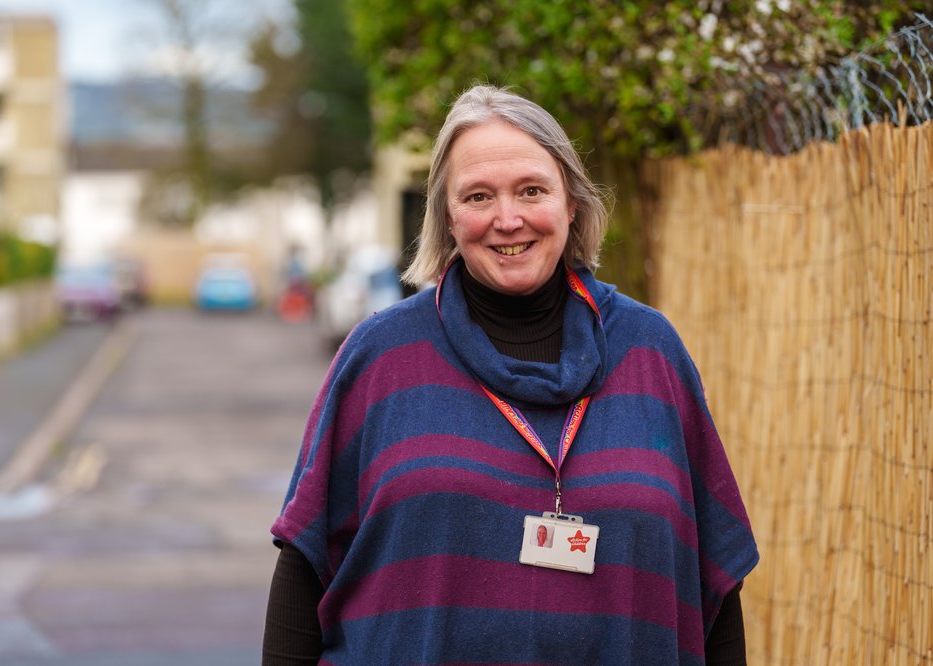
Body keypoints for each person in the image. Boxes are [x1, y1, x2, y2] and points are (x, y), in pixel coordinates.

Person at [263, 84, 758, 665]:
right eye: (477, 196)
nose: (507, 218)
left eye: (531, 190)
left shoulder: (651, 353)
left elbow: (717, 583)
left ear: (571, 203)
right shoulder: (382, 358)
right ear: (447, 216)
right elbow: (303, 568)